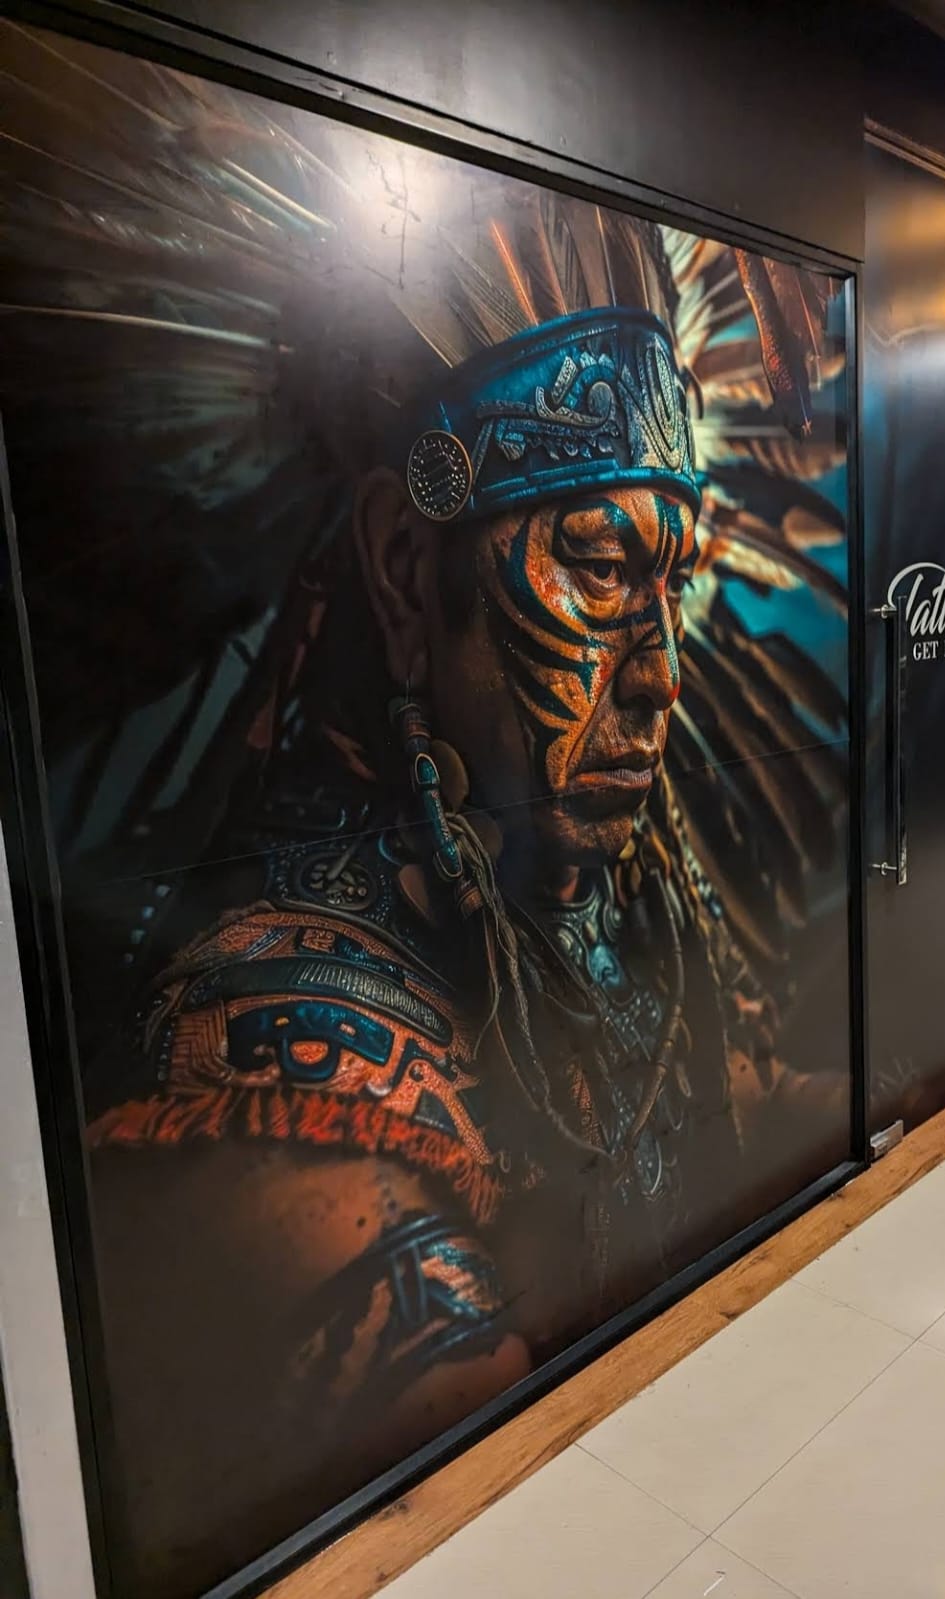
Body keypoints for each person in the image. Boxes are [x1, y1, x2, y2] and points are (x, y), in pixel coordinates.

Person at [83, 307, 797, 1594]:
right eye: (597, 565)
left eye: (672, 582)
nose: (661, 677)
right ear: (406, 572)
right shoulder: (284, 1041)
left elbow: (757, 1090)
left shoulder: (619, 900)